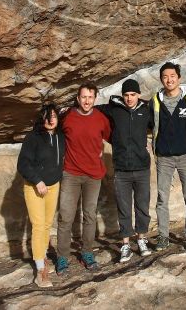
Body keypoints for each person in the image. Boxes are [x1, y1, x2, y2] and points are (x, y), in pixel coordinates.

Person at [55, 83, 112, 276]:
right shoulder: (67, 117)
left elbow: (109, 136)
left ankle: (87, 252)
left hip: (93, 175)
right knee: (66, 216)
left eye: (90, 97)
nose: (87, 101)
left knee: (89, 215)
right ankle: (62, 257)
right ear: (78, 99)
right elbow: (54, 133)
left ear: (95, 99)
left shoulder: (101, 118)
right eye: (84, 97)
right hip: (70, 173)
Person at [97, 79, 154, 262]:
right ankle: (126, 245)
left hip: (142, 168)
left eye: (133, 95)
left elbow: (163, 121)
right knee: (124, 208)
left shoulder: (146, 110)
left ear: (138, 95)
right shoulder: (114, 109)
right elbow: (91, 111)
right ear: (123, 95)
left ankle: (142, 239)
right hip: (121, 169)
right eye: (126, 95)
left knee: (142, 206)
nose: (129, 98)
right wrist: (70, 109)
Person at [152, 62, 186, 253]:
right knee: (162, 198)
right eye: (165, 76)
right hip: (164, 157)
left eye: (172, 76)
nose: (169, 79)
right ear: (161, 79)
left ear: (179, 78)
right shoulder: (156, 101)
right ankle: (163, 236)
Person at [17, 103, 65, 288]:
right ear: (41, 118)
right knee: (38, 226)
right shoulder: (33, 137)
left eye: (53, 116)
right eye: (47, 116)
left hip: (53, 186)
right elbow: (23, 164)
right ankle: (40, 271)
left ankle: (42, 257)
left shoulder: (60, 136)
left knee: (46, 225)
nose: (51, 120)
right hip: (35, 187)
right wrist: (37, 181)